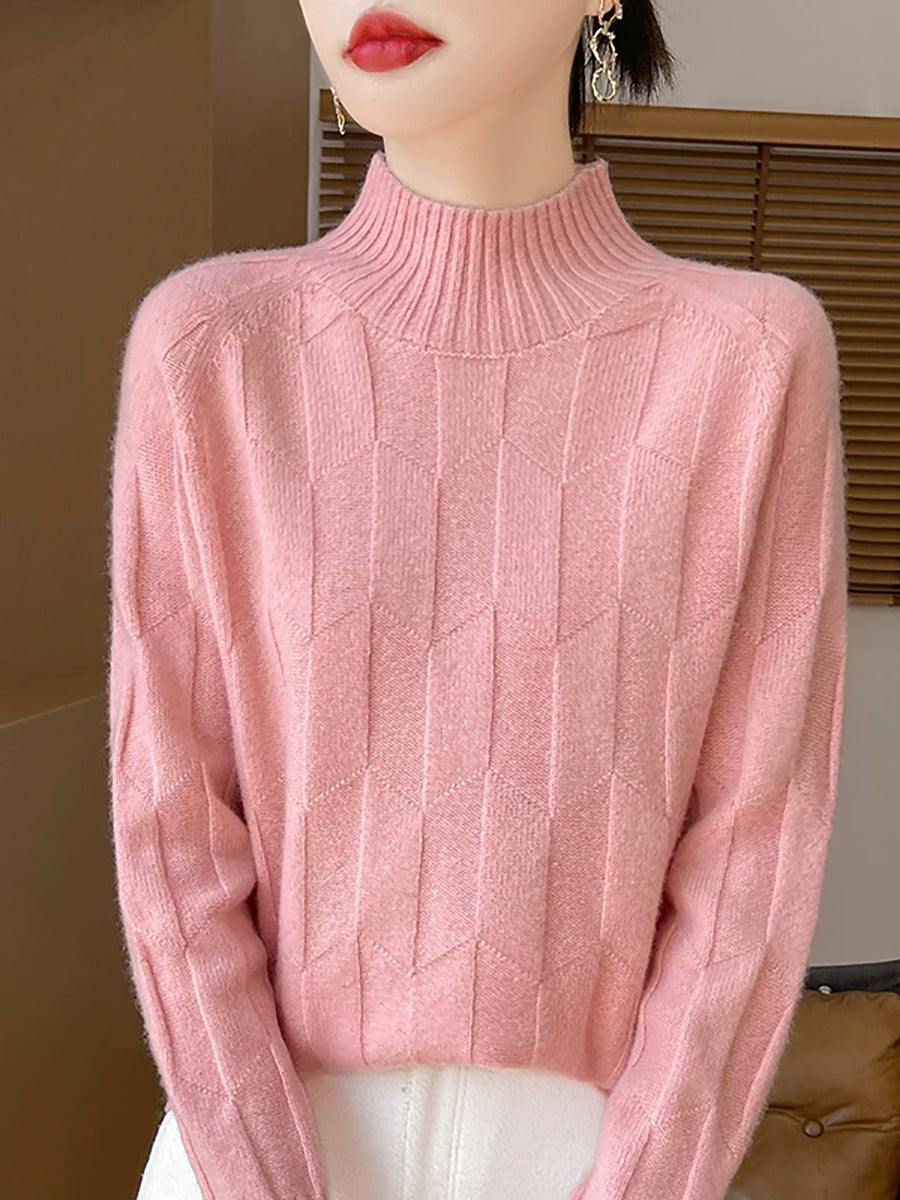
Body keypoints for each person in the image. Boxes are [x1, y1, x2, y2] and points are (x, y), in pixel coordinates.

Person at [108, 2, 848, 1199]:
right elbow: (172, 833)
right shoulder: (213, 349)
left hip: (591, 1164)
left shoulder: (750, 360)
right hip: (251, 1159)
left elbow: (752, 853)